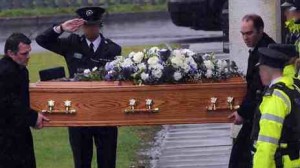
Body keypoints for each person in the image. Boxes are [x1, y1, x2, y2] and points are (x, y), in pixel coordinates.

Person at [36, 6, 121, 168]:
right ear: (82, 26)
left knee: (108, 160)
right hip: (78, 113)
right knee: (81, 161)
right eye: (87, 25)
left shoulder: (113, 49)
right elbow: (42, 40)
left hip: (105, 111)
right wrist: (60, 28)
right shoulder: (72, 43)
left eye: (94, 25)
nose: (90, 29)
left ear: (100, 24)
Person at [228, 14, 275, 168]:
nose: (245, 38)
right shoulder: (260, 47)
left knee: (240, 157)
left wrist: (242, 113)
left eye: (249, 33)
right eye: (243, 34)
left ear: (260, 30)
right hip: (256, 111)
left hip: (261, 111)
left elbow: (257, 87)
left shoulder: (264, 52)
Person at [0, 33, 49, 168]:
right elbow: (9, 102)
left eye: (29, 52)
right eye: (24, 53)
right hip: (7, 136)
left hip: (18, 131)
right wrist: (33, 117)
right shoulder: (6, 72)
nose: (28, 56)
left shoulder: (18, 69)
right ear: (10, 53)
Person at [251, 45, 300, 168]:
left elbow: (267, 143)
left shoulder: (275, 97)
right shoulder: (293, 89)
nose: (260, 74)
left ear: (266, 69)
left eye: (260, 70)